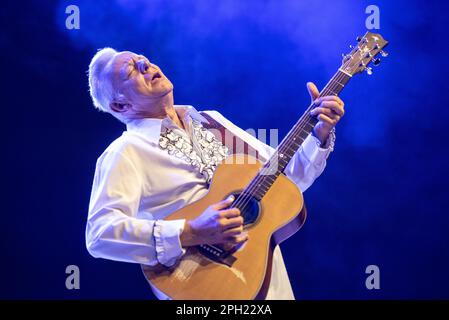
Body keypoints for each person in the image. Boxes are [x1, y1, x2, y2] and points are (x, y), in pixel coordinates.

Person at [86, 48, 345, 300]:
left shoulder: (212, 121)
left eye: (142, 59)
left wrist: (319, 133)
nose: (145, 65)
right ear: (120, 105)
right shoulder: (126, 151)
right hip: (199, 287)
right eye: (130, 70)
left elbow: (287, 179)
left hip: (267, 282)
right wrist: (191, 231)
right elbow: (99, 234)